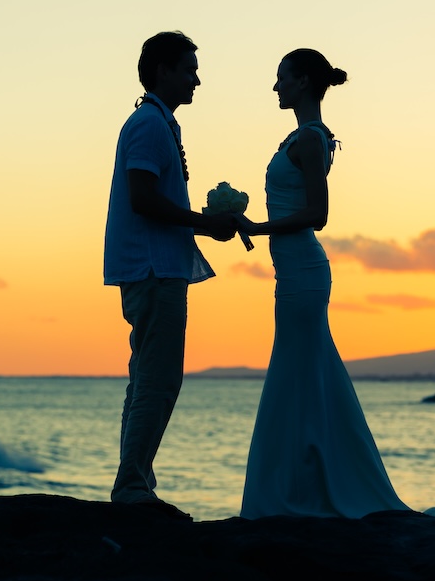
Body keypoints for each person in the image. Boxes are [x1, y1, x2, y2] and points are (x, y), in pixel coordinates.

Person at [237, 48, 412, 519]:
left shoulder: (311, 140)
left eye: (281, 79)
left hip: (305, 274)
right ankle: (307, 481)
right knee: (305, 376)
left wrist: (257, 228)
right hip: (293, 272)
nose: (275, 87)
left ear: (302, 83)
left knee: (297, 373)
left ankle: (302, 490)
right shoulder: (303, 137)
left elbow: (319, 214)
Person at [103, 31, 237, 521]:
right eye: (188, 69)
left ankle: (134, 480)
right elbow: (142, 198)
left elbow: (158, 200)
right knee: (158, 381)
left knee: (146, 379)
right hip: (153, 269)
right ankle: (133, 486)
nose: (197, 79)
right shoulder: (149, 125)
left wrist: (203, 223)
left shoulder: (159, 124)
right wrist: (202, 222)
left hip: (156, 266)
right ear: (163, 70)